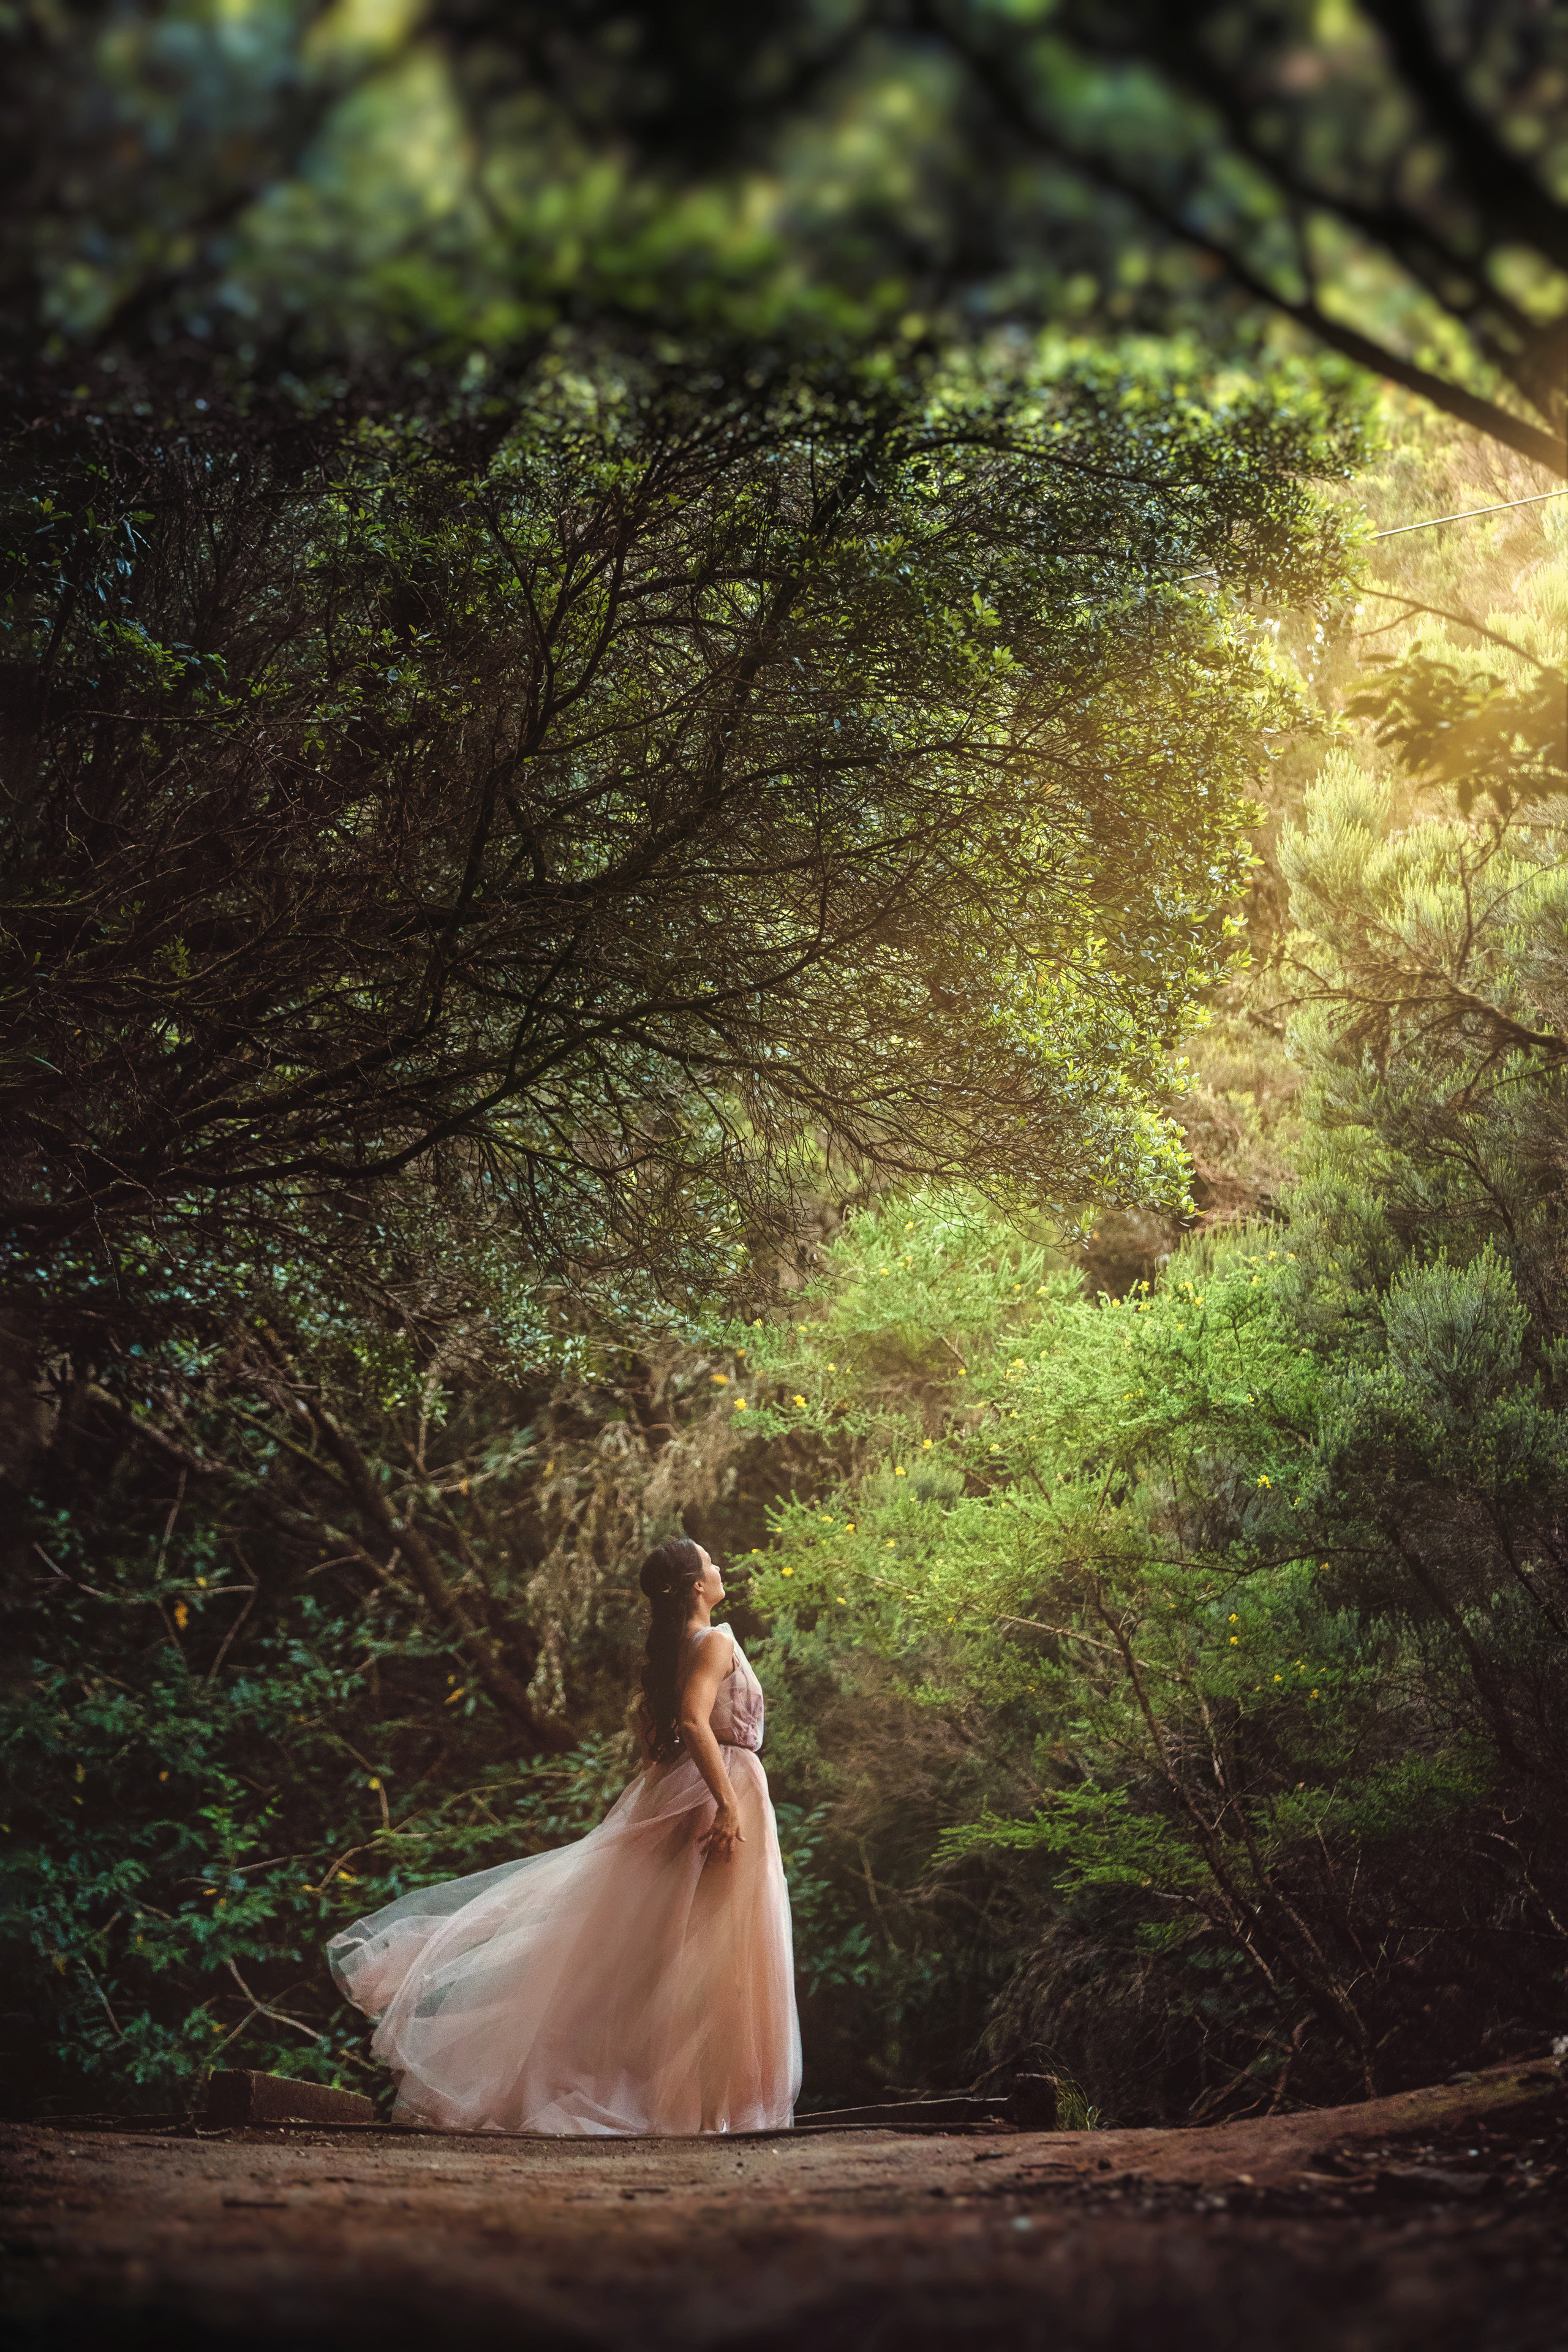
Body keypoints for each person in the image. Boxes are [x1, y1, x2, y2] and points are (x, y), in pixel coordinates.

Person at [326, 1538, 801, 2135]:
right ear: (692, 1587)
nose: (719, 1566)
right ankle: (702, 2109)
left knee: (674, 1951)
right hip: (720, 1790)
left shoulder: (680, 1649)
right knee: (718, 1950)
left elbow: (659, 1744)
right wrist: (728, 1806)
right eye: (710, 1562)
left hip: (693, 1791)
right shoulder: (714, 1643)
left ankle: (694, 2105)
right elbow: (688, 1720)